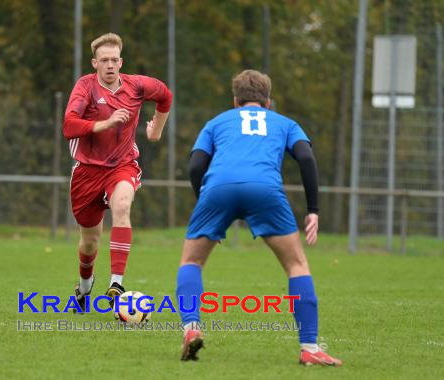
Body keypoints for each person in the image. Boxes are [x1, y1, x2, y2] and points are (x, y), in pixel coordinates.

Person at [176, 69, 342, 366]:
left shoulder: (216, 123)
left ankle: (191, 329)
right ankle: (310, 348)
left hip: (218, 187)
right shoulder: (286, 123)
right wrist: (313, 210)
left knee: (191, 262)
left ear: (235, 101)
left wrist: (205, 200)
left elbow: (195, 166)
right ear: (268, 102)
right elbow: (306, 158)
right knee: (296, 264)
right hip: (265, 189)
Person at [63, 33, 172, 313]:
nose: (110, 65)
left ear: (120, 61)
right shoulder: (85, 87)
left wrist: (155, 131)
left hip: (122, 165)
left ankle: (117, 284)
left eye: (114, 60)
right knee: (89, 242)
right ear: (95, 63)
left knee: (122, 205)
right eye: (104, 60)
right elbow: (69, 126)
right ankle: (84, 289)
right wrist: (105, 123)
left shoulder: (136, 86)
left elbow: (165, 96)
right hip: (87, 172)